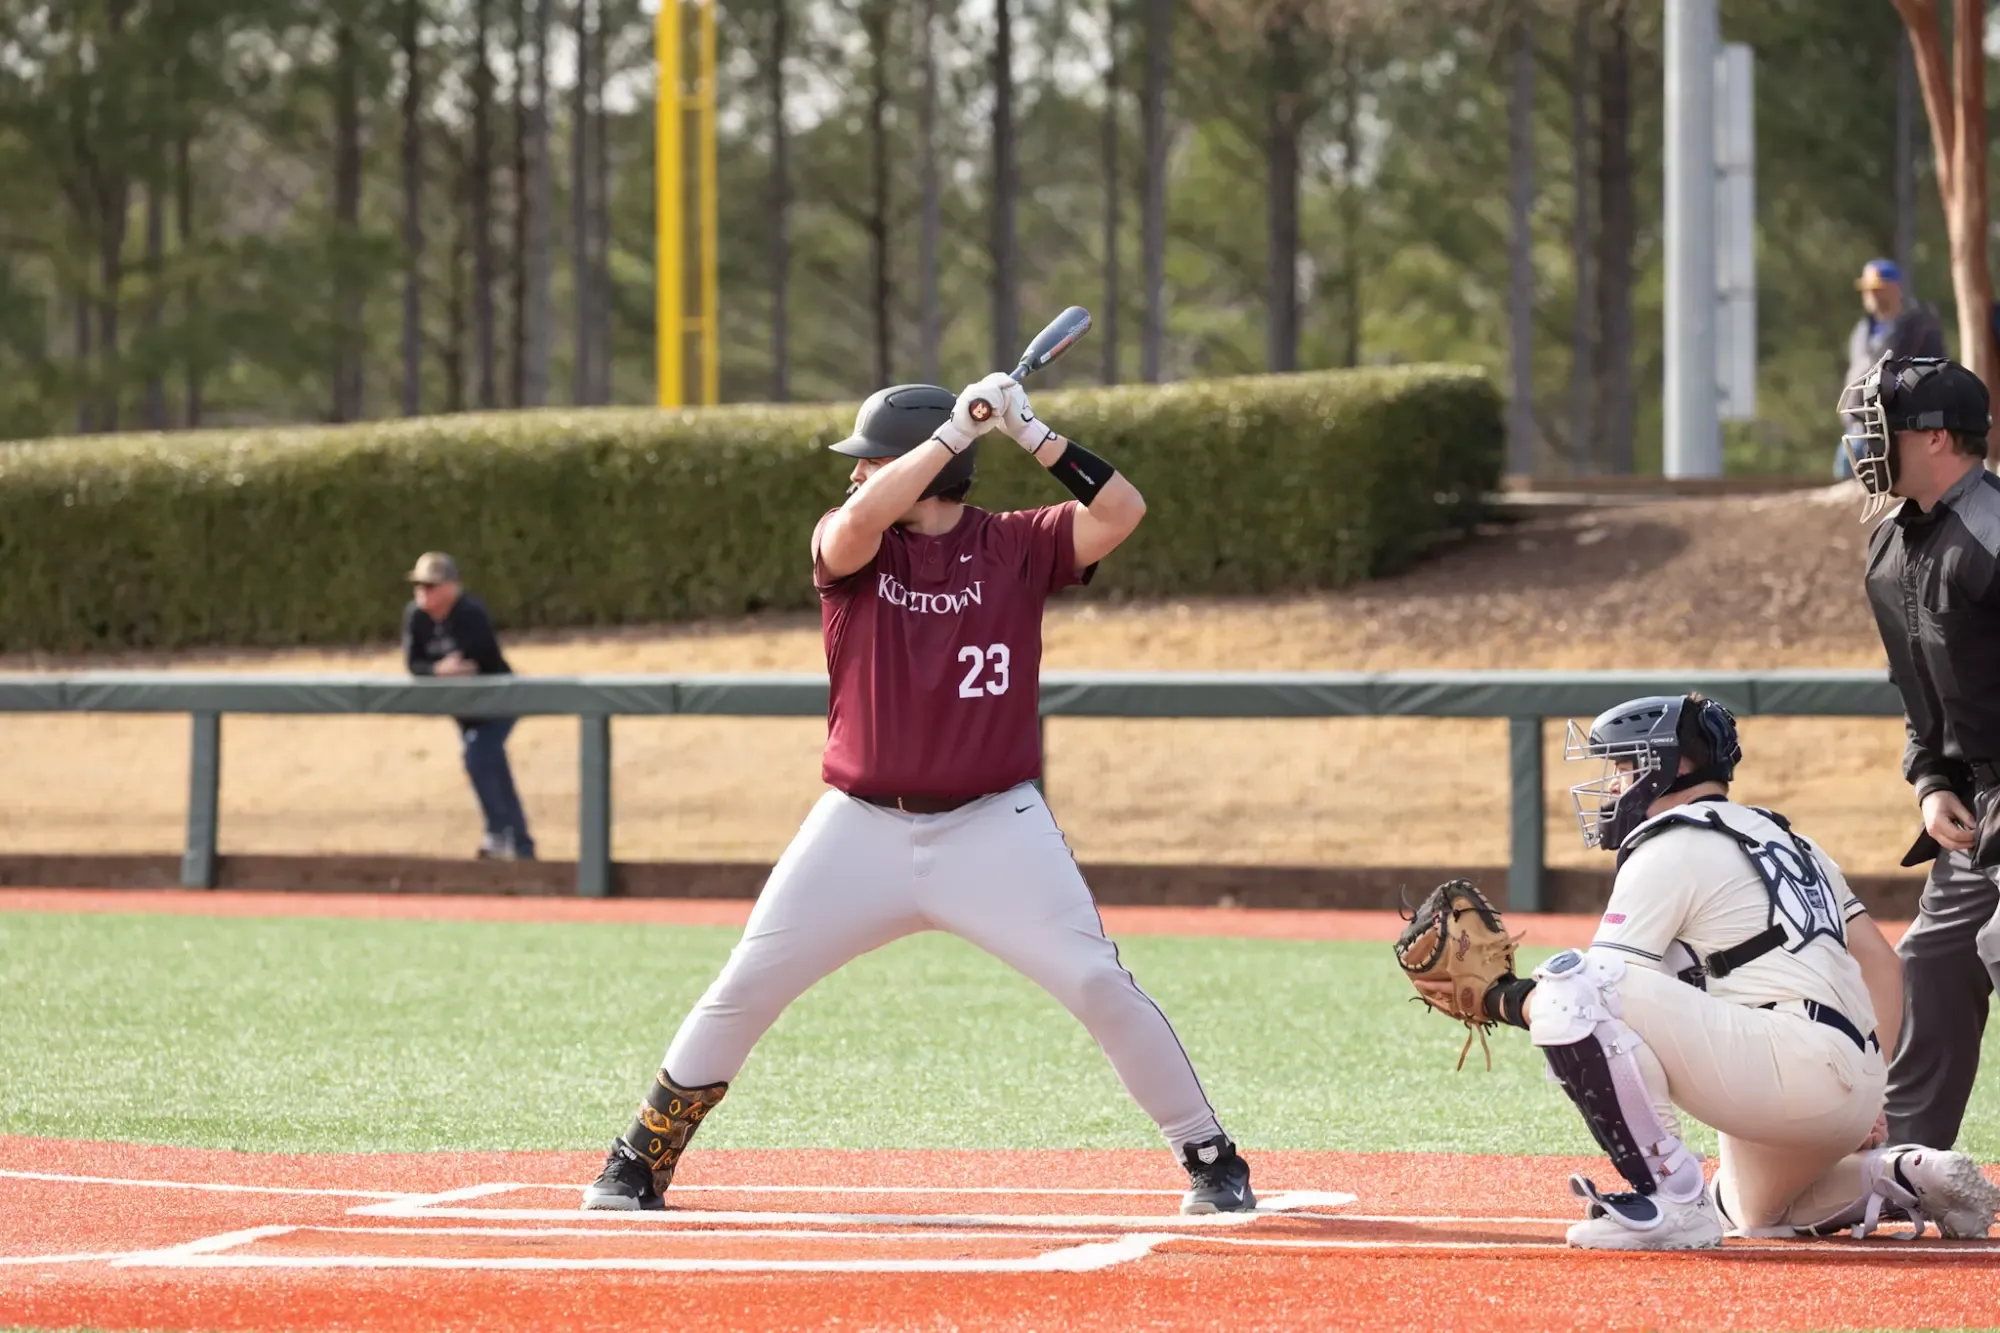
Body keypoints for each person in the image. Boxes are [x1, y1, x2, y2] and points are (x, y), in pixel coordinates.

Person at [579, 374, 1255, 1216]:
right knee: (747, 981)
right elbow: (858, 519)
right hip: (859, 828)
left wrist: (1033, 434)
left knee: (1094, 981)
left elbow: (1122, 510)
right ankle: (638, 1158)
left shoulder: (1015, 542)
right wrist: (953, 434)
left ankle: (1210, 1153)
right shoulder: (853, 542)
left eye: (871, 458)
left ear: (929, 474)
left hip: (995, 827)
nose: (856, 473)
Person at [1422, 694, 1998, 1249]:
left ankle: (1671, 1199)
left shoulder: (1669, 841)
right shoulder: (1792, 839)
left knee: (1576, 985)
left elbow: (1596, 989)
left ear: (1672, 766)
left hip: (1782, 1066)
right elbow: (1882, 965)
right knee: (1756, 1212)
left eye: (1623, 767)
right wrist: (1873, 1092)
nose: (1613, 785)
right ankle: (1904, 1174)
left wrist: (1503, 998)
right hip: (1843, 1084)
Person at [1841, 354, 2000, 1150]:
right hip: (1976, 804)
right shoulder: (1888, 550)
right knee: (1934, 960)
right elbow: (1920, 696)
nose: (1862, 442)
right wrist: (1932, 780)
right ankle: (1904, 1166)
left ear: (1937, 437)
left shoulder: (1994, 532)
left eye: (1880, 427)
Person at [402, 551, 535, 861]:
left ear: (451, 587)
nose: (422, 592)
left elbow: (483, 661)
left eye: (430, 585)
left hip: (499, 702)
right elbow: (413, 663)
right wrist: (438, 670)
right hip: (464, 711)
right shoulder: (416, 617)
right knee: (492, 768)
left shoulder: (470, 613)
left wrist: (456, 668)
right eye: (419, 585)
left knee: (478, 757)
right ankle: (522, 847)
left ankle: (498, 835)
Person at [1837, 259, 1945, 480]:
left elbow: (1936, 375)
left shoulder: (1918, 327)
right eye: (1868, 290)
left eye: (1879, 289)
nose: (1872, 295)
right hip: (1860, 426)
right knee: (1844, 469)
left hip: (1900, 429)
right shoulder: (1861, 331)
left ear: (1897, 289)